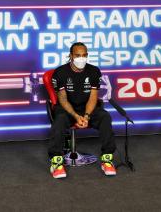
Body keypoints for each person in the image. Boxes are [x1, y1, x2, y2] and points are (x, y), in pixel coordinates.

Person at [48, 42, 117, 179]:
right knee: (60, 119)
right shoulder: (60, 72)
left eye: (84, 55)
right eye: (78, 55)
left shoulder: (94, 71)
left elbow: (93, 98)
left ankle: (107, 159)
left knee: (105, 117)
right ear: (71, 56)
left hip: (86, 108)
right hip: (67, 109)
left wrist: (86, 115)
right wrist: (75, 115)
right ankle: (56, 161)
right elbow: (62, 100)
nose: (81, 58)